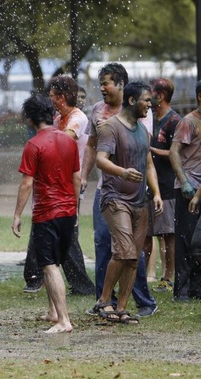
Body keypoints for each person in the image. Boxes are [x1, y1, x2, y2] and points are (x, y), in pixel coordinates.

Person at [80, 63, 159, 317]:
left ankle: (125, 307)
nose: (150, 105)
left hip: (139, 200)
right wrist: (118, 172)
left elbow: (148, 163)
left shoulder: (143, 127)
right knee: (117, 249)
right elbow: (97, 153)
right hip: (113, 196)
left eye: (107, 83)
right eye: (146, 101)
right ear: (133, 99)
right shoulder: (107, 122)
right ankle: (104, 300)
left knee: (133, 257)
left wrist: (156, 193)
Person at [20, 75, 96, 296]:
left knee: (66, 232)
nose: (51, 99)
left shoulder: (77, 118)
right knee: (43, 225)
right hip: (52, 181)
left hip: (68, 181)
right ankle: (35, 276)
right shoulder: (57, 117)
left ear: (62, 97)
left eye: (53, 95)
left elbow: (63, 140)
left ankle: (80, 283)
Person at [12, 93, 79, 333]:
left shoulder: (34, 145)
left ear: (30, 119)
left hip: (46, 213)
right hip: (68, 211)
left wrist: (17, 214)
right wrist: (75, 207)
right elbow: (76, 177)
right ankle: (53, 312)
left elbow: (26, 183)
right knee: (54, 263)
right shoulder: (69, 141)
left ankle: (64, 320)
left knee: (49, 265)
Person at [144, 78, 180, 292]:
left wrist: (152, 150)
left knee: (168, 234)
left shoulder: (175, 121)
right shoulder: (149, 118)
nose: (148, 97)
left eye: (151, 92)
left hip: (167, 185)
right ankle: (143, 273)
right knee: (146, 234)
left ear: (162, 95)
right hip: (148, 184)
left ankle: (168, 277)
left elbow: (179, 154)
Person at [169, 80, 201, 302]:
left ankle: (197, 289)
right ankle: (181, 291)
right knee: (184, 240)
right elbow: (173, 152)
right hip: (189, 187)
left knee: (199, 242)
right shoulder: (188, 122)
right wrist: (184, 181)